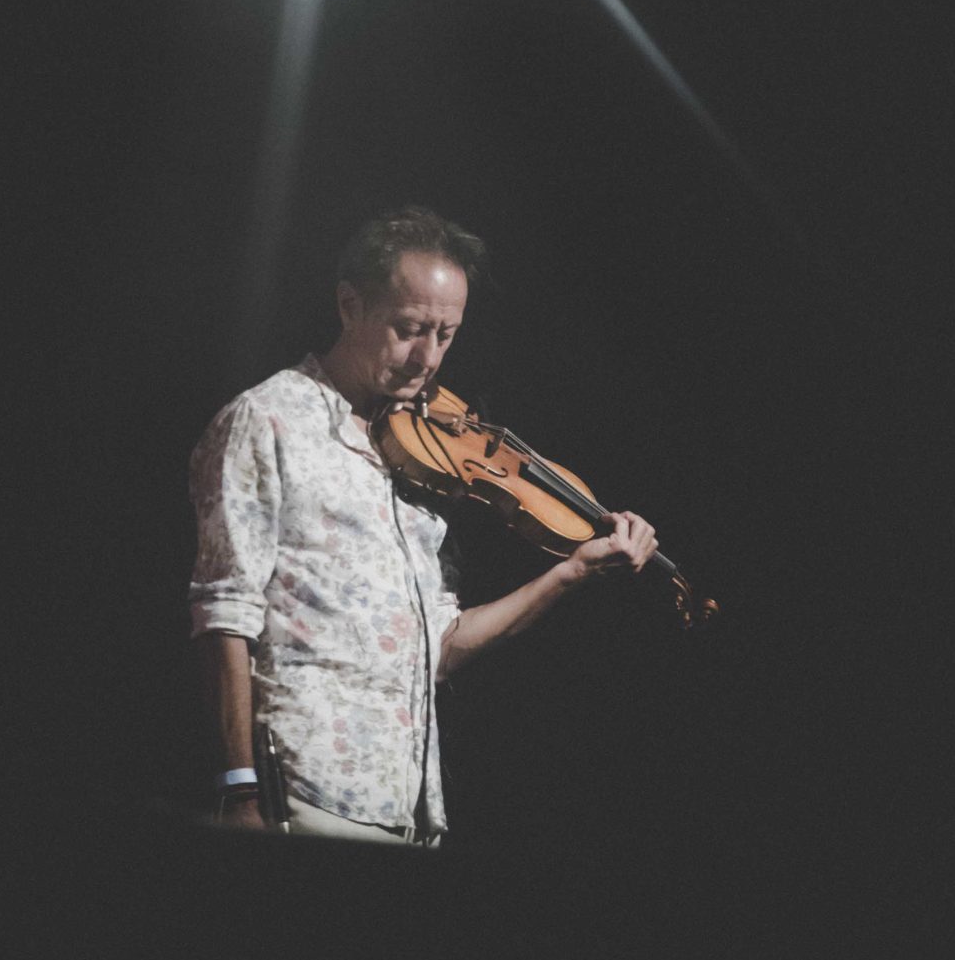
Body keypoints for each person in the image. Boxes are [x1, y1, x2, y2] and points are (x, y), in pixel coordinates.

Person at [188, 205, 658, 843]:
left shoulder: (419, 453)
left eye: (446, 334)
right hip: (303, 791)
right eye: (410, 329)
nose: (427, 358)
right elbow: (224, 613)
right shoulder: (267, 420)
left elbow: (439, 649)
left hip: (411, 807)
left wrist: (570, 573)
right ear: (349, 305)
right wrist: (239, 788)